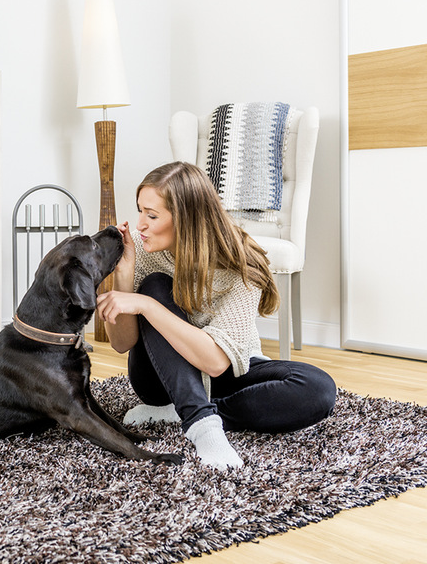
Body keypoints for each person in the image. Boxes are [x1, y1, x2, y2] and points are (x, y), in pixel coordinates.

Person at [95, 161, 337, 470]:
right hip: (159, 381)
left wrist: (147, 306)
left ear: (185, 218)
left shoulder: (242, 262)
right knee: (155, 285)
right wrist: (124, 275)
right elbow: (121, 343)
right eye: (140, 211)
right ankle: (203, 425)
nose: (140, 224)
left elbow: (216, 362)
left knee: (318, 388)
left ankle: (183, 411)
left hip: (223, 372)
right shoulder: (143, 249)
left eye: (152, 215)